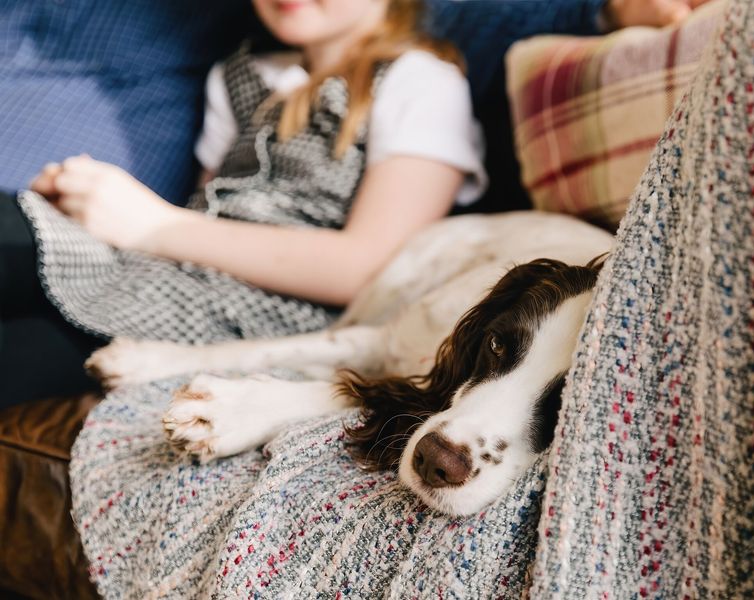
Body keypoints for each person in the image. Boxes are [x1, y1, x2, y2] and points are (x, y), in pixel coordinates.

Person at [0, 0, 702, 408]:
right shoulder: (239, 74)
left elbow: (367, 266)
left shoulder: (422, 79)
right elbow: (212, 211)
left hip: (280, 311)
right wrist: (111, 218)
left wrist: (151, 223)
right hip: (170, 281)